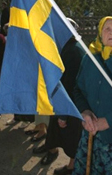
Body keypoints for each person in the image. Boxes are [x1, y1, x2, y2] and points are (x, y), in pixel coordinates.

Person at [73, 16, 112, 175]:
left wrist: (107, 122)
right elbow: (78, 90)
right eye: (106, 29)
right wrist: (85, 112)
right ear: (100, 34)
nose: (111, 32)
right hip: (91, 136)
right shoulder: (89, 59)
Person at [33, 18, 85, 174]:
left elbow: (69, 83)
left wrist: (63, 113)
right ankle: (52, 149)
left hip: (69, 102)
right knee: (55, 129)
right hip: (61, 99)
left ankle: (71, 167)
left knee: (72, 136)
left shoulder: (72, 51)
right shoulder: (66, 47)